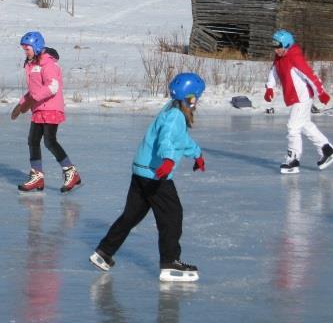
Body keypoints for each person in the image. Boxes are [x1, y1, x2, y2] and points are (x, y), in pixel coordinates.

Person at [89, 72, 206, 282]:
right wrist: (169, 160)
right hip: (155, 174)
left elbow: (181, 139)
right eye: (198, 97)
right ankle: (170, 263)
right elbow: (167, 139)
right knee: (172, 215)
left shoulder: (172, 108)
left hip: (141, 170)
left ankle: (103, 252)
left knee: (131, 215)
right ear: (191, 97)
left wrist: (196, 154)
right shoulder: (175, 116)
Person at [11, 31, 81, 193]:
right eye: (24, 49)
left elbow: (52, 87)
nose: (25, 52)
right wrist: (21, 104)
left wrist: (32, 100)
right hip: (38, 108)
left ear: (36, 47)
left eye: (27, 49)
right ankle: (37, 177)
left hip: (50, 107)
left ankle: (71, 172)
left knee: (50, 141)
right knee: (33, 140)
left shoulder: (49, 64)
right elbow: (34, 90)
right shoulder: (33, 64)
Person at [265, 29, 333, 174]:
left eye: (278, 46)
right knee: (305, 125)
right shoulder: (279, 57)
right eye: (274, 46)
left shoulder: (294, 58)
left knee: (293, 127)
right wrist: (269, 88)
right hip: (295, 97)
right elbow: (273, 72)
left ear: (286, 45)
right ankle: (327, 150)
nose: (276, 49)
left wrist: (321, 92)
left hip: (302, 97)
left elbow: (310, 76)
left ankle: (293, 160)